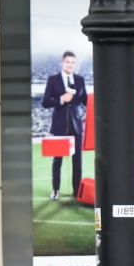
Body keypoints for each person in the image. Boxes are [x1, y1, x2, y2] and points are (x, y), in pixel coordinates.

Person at [41, 51, 87, 202]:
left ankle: (77, 191)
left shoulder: (80, 80)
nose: (70, 65)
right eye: (68, 62)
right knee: (58, 160)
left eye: (73, 62)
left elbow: (86, 100)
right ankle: (56, 190)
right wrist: (61, 99)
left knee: (77, 161)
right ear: (62, 62)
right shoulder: (53, 80)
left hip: (77, 125)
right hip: (60, 126)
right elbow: (46, 102)